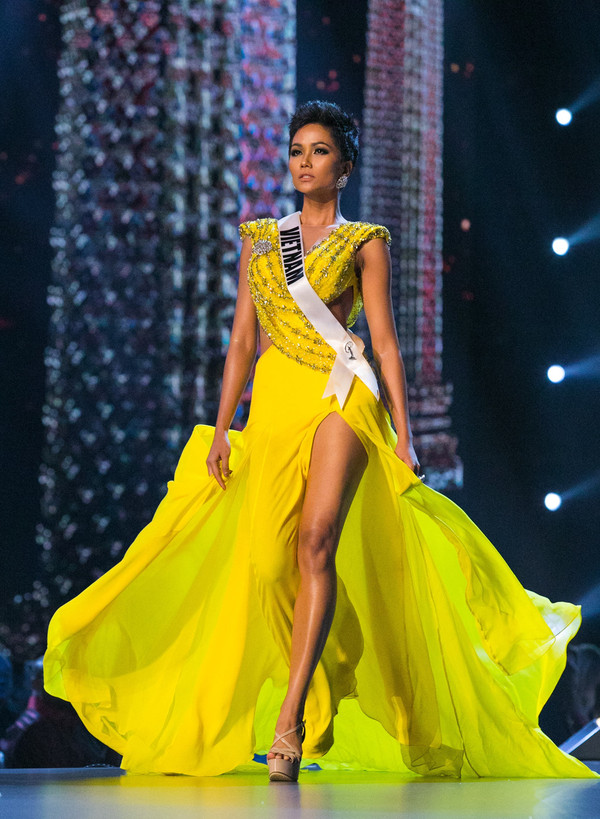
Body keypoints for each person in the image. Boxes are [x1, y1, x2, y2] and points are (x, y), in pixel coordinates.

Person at [44, 101, 596, 782]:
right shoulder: (260, 240)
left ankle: (292, 719)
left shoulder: (365, 241)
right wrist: (222, 428)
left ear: (345, 165)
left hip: (343, 394)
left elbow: (385, 342)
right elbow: (241, 342)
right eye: (297, 151)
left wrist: (405, 433)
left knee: (315, 540)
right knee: (267, 565)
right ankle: (330, 665)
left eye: (320, 151)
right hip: (275, 399)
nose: (305, 163)